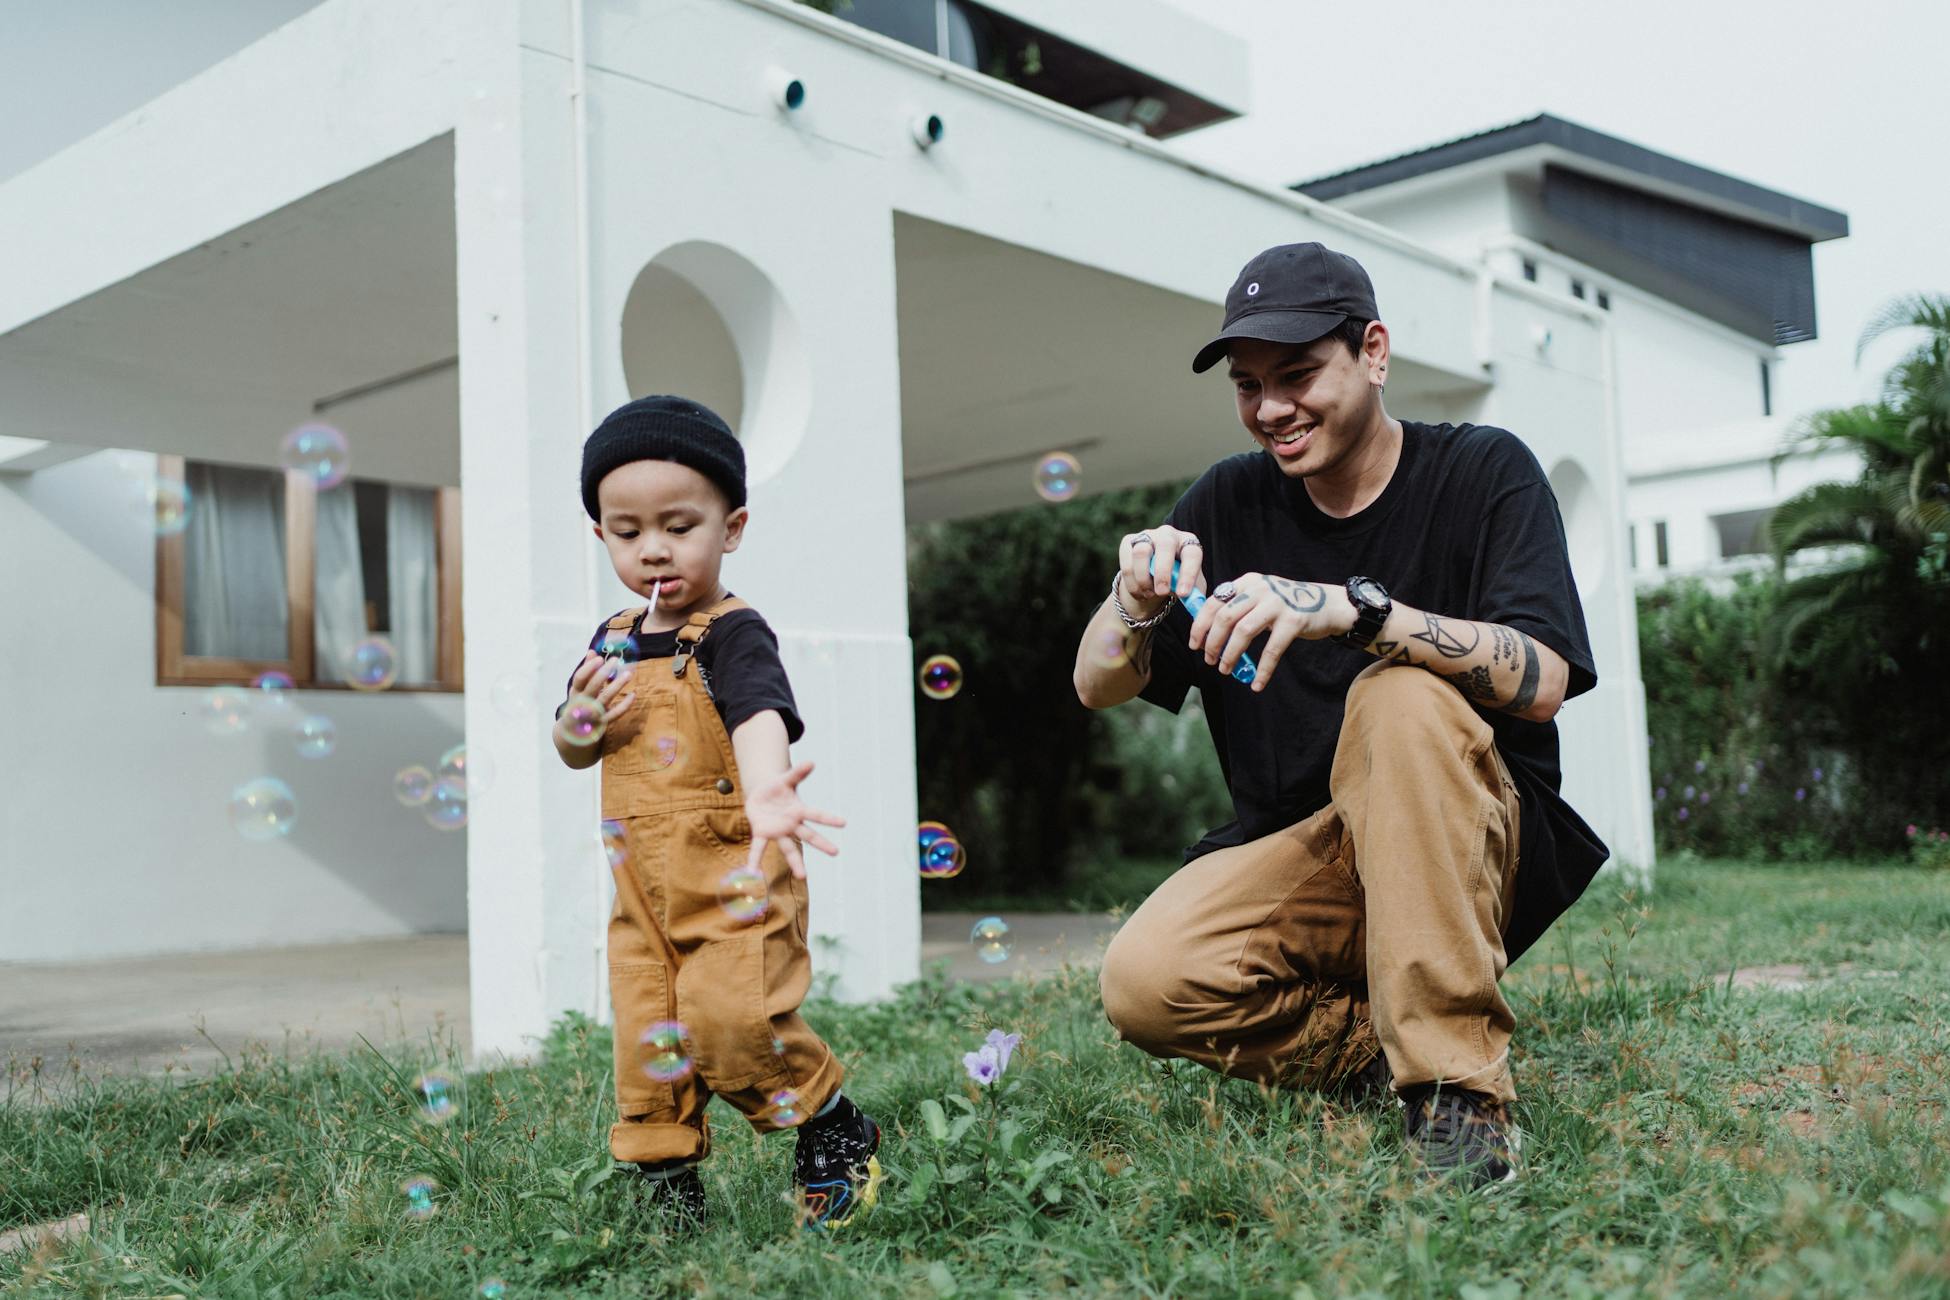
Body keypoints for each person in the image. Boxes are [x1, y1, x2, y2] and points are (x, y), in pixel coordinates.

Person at [1075, 243, 1610, 1188]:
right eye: (1248, 385)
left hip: (1474, 836)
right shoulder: (1229, 498)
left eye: (1297, 374)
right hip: (1318, 858)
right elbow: (1097, 684)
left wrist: (1353, 611)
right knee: (1145, 980)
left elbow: (1545, 678)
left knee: (1398, 692)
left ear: (1372, 351)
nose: (1271, 408)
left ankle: (1459, 1099)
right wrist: (1135, 597)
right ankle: (1375, 1056)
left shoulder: (1484, 471)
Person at [553, 395, 882, 1228]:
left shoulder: (735, 633)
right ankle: (667, 1186)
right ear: (602, 537)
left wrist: (771, 789)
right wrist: (573, 722)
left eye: (678, 525)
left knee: (731, 1023)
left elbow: (758, 715)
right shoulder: (612, 637)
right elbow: (576, 745)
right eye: (627, 532)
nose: (653, 548)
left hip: (733, 871)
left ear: (730, 528)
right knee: (647, 1038)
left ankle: (832, 1128)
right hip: (642, 896)